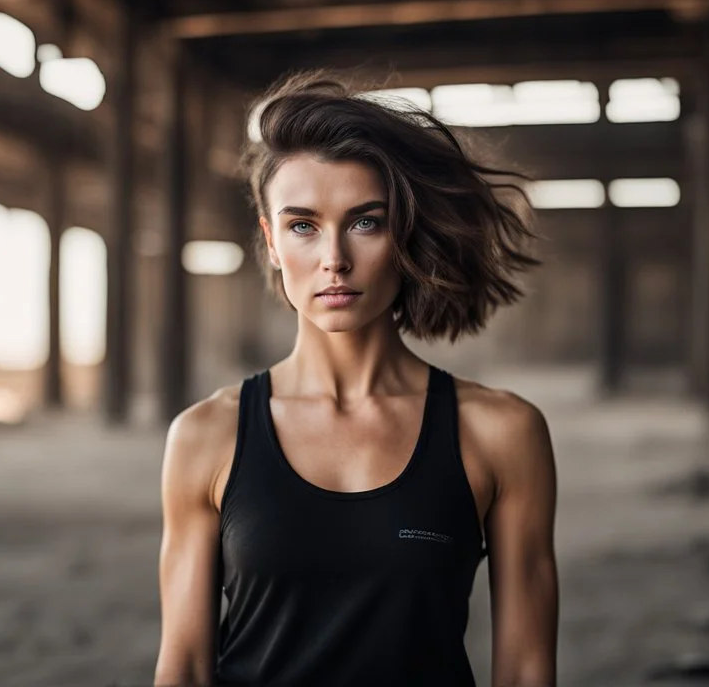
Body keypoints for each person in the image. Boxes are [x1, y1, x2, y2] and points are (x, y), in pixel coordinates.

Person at [153, 72, 558, 687]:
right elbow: (182, 668)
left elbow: (527, 671)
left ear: (404, 236)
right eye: (303, 225)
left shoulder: (500, 432)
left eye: (365, 222)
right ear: (270, 240)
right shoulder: (206, 436)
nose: (333, 258)